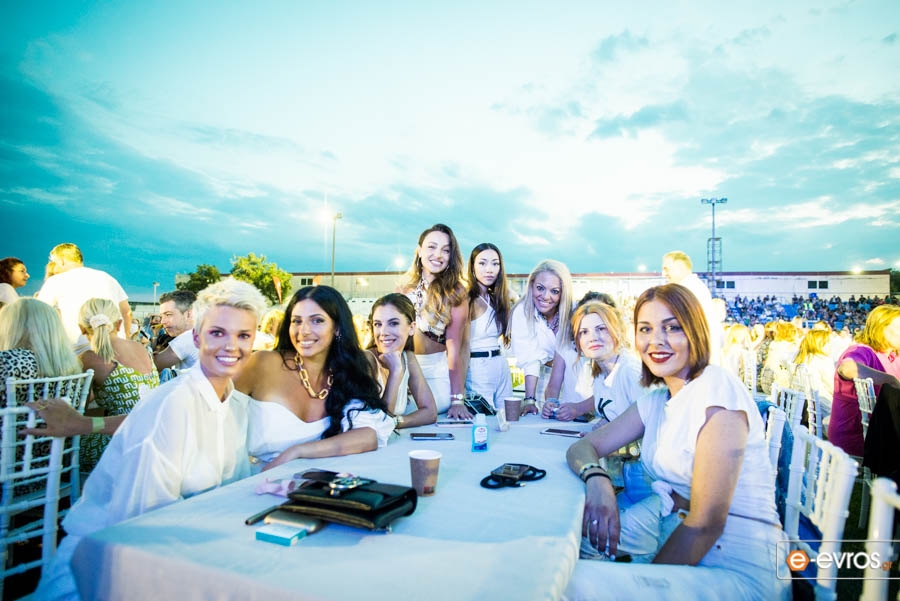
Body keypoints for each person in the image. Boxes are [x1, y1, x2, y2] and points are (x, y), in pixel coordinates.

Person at [33, 278, 267, 601]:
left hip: (182, 554)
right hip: (106, 568)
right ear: (196, 337)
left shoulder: (238, 407)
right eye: (217, 333)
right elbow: (138, 526)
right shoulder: (172, 405)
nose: (231, 346)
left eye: (243, 335)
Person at [564, 284, 788, 601]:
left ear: (695, 331)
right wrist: (597, 478)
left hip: (736, 564)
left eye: (672, 327)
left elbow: (706, 525)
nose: (656, 340)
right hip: (671, 522)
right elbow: (583, 447)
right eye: (646, 329)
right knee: (569, 546)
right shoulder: (658, 399)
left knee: (570, 586)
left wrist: (647, 582)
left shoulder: (715, 389)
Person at [235, 286, 394, 470]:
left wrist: (298, 451)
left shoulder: (347, 372)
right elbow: (216, 417)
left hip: (312, 481)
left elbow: (368, 436)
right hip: (257, 479)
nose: (304, 331)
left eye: (317, 320)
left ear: (337, 328)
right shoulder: (262, 363)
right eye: (297, 321)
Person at [75, 298, 159, 472]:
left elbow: (78, 404)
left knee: (66, 441)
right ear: (119, 324)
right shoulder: (140, 348)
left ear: (82, 328)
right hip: (153, 439)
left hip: (119, 444)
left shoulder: (88, 358)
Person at [398, 224, 472, 419]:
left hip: (436, 375)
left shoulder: (456, 293)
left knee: (423, 412)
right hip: (404, 374)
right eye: (431, 247)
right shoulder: (403, 289)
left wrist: (457, 400)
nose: (438, 255)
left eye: (445, 250)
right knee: (393, 410)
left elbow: (455, 350)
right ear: (419, 250)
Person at [543, 301, 643, 426]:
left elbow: (647, 424)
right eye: (584, 332)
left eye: (601, 329)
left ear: (616, 331)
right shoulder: (600, 374)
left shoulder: (631, 373)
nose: (593, 338)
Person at [829, 304, 900, 456]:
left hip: (877, 432)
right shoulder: (862, 350)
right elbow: (846, 368)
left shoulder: (892, 356)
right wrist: (891, 380)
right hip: (858, 437)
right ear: (880, 328)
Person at [36, 243, 132, 347]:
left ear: (61, 261)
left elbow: (38, 314)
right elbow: (127, 313)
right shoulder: (108, 278)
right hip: (116, 345)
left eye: (53, 261)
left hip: (77, 348)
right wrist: (125, 339)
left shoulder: (55, 281)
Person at [510, 259, 574, 415]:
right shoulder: (522, 311)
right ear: (531, 285)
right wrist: (529, 400)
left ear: (563, 292)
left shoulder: (574, 311)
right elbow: (530, 358)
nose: (546, 296)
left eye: (554, 291)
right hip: (541, 380)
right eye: (540, 288)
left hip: (574, 379)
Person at [366, 293, 437, 428]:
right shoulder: (367, 360)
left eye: (393, 323)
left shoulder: (407, 357)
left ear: (412, 328)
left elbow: (430, 412)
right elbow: (380, 423)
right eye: (378, 324)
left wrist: (395, 422)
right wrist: (395, 371)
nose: (383, 332)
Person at [0, 299, 82, 405]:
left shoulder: (7, 361)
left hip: (15, 416)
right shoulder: (70, 364)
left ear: (9, 329)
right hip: (57, 416)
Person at [465, 243, 514, 408]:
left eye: (495, 264)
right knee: (483, 418)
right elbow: (457, 345)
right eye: (482, 263)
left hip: (500, 363)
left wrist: (513, 296)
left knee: (507, 415)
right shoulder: (467, 299)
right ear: (472, 267)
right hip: (477, 366)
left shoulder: (496, 299)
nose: (489, 269)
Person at [661, 251, 717, 360]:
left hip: (695, 353)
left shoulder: (687, 290)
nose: (664, 274)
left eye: (667, 269)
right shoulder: (692, 286)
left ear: (681, 267)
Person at [791, 328, 834, 422]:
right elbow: (833, 387)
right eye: (828, 343)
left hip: (807, 407)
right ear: (819, 344)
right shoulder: (822, 360)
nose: (831, 346)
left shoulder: (803, 358)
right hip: (825, 408)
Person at [153, 290, 199, 372]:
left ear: (189, 314)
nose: (162, 321)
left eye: (168, 314)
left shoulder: (188, 337)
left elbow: (151, 366)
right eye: (162, 316)